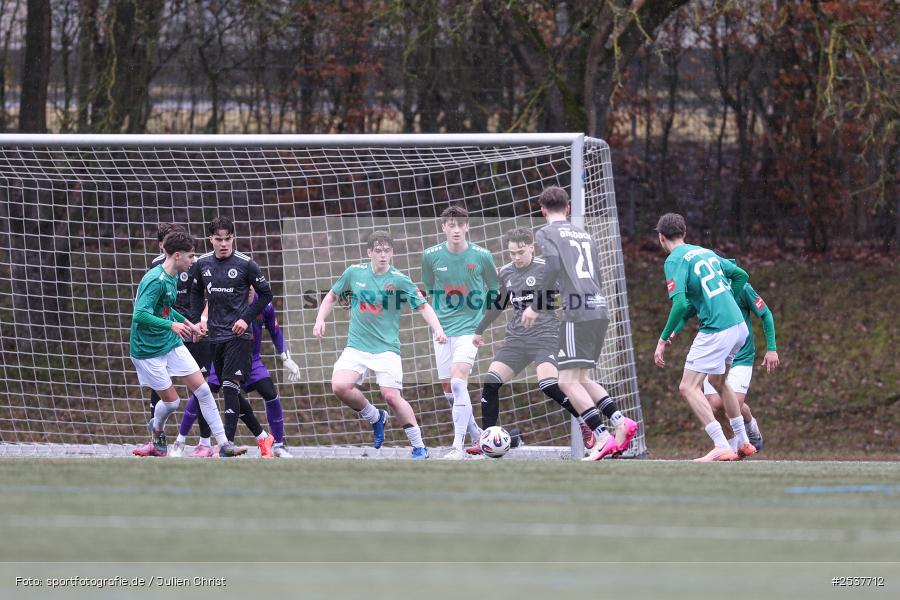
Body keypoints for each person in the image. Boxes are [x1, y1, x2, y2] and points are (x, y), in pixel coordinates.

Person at [314, 230, 446, 459]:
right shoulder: (354, 273)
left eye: (386, 251)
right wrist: (320, 318)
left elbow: (423, 306)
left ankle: (419, 446)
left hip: (386, 349)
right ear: (369, 253)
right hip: (356, 346)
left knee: (391, 396)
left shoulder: (400, 280)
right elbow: (332, 296)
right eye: (378, 251)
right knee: (339, 386)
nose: (382, 255)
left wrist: (438, 329)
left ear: (392, 253)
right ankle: (375, 417)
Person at [533, 186, 638, 461]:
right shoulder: (585, 234)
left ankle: (602, 437)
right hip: (598, 308)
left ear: (542, 210)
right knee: (581, 378)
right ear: (567, 208)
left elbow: (553, 265)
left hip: (576, 312)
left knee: (566, 382)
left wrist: (535, 305)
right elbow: (597, 274)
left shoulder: (545, 232)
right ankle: (619, 421)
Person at [471, 227, 596, 453]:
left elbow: (570, 293)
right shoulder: (506, 272)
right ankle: (486, 440)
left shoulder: (546, 269)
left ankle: (584, 420)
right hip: (516, 340)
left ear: (531, 247)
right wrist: (479, 329)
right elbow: (499, 303)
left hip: (546, 336)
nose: (516, 258)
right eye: (511, 253)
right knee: (490, 383)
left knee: (548, 384)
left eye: (520, 252)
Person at [130, 230, 245, 458]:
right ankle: (158, 430)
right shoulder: (154, 280)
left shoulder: (171, 277)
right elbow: (139, 314)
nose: (194, 261)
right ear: (177, 255)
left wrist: (190, 325)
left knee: (202, 389)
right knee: (172, 404)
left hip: (169, 343)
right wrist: (171, 326)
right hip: (147, 349)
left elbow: (165, 309)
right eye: (191, 256)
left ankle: (223, 444)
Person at [652, 213, 756, 461]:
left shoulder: (673, 260)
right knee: (719, 382)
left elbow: (678, 304)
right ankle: (742, 442)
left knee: (688, 386)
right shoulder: (705, 251)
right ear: (685, 233)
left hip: (717, 329)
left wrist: (663, 338)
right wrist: (728, 300)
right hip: (738, 326)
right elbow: (741, 275)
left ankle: (722, 444)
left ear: (661, 237)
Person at [173, 290, 301, 458]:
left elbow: (275, 331)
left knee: (270, 394)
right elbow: (209, 309)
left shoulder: (264, 305)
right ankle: (180, 441)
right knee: (203, 391)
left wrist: (285, 357)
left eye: (250, 284)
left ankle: (278, 445)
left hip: (252, 360)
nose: (247, 287)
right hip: (225, 357)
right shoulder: (228, 300)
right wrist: (202, 325)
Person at [672, 260, 779, 453]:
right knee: (714, 407)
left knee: (730, 404)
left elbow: (766, 314)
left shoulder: (743, 288)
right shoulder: (707, 291)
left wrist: (771, 348)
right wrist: (673, 331)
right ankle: (735, 444)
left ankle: (748, 421)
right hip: (716, 353)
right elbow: (686, 312)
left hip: (741, 356)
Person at [421, 206, 500, 460]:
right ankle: (477, 434)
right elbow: (430, 291)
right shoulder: (430, 256)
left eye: (460, 225)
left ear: (467, 227)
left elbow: (495, 290)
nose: (455, 229)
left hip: (470, 330)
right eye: (450, 225)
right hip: (443, 331)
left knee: (458, 382)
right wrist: (437, 327)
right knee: (448, 390)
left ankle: (458, 447)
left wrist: (482, 325)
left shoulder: (482, 255)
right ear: (443, 227)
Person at [189, 216, 273, 451]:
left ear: (233, 239)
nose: (224, 243)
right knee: (229, 389)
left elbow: (266, 295)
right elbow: (196, 293)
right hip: (213, 336)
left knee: (229, 386)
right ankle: (262, 436)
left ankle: (227, 444)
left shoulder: (246, 264)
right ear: (211, 240)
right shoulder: (202, 264)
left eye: (228, 239)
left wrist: (246, 319)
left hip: (239, 336)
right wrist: (197, 322)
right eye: (219, 239)